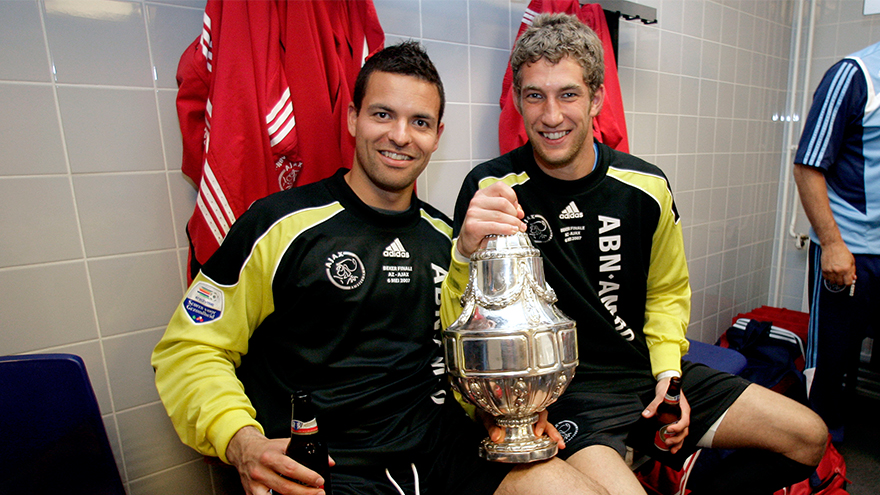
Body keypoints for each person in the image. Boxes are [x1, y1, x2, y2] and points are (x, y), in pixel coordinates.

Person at [152, 41, 608, 495]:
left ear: (437, 134)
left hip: (444, 451)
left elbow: (457, 361)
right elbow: (190, 351)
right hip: (328, 469)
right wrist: (241, 442)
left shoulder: (446, 241)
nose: (401, 136)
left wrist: (499, 409)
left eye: (420, 122)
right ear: (354, 118)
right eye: (383, 114)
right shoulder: (279, 226)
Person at [441, 13, 828, 495]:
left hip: (644, 372)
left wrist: (669, 371)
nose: (551, 115)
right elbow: (464, 322)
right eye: (534, 95)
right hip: (565, 396)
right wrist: (463, 253)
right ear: (518, 100)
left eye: (568, 94)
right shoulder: (493, 189)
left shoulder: (644, 186)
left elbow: (666, 291)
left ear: (597, 97)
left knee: (807, 438)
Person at [793, 40, 880, 444]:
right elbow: (808, 164)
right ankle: (818, 455)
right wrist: (832, 244)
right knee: (832, 361)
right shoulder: (855, 74)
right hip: (851, 249)